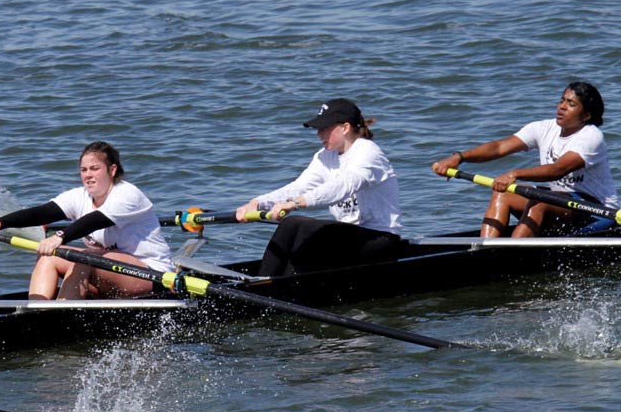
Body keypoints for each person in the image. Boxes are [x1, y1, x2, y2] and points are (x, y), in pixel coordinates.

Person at [0, 141, 173, 300]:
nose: (88, 175)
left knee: (83, 259)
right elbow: (43, 212)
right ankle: (37, 311)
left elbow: (95, 220)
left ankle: (61, 315)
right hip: (107, 273)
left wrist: (60, 236)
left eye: (95, 169)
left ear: (112, 170)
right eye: (84, 170)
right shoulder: (79, 196)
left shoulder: (128, 194)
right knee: (49, 256)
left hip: (151, 274)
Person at [234, 98, 403, 277]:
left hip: (380, 240)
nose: (319, 134)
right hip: (347, 238)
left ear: (345, 127)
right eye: (318, 129)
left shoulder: (368, 152)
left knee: (309, 230)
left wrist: (296, 203)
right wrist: (257, 203)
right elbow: (299, 187)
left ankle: (284, 289)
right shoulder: (325, 156)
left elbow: (343, 185)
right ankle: (264, 281)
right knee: (292, 223)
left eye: (324, 128)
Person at [431, 82, 617, 238]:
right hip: (559, 204)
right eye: (562, 100)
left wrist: (515, 174)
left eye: (571, 104)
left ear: (586, 115)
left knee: (539, 201)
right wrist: (460, 157)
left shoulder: (591, 137)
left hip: (595, 210)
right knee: (503, 195)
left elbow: (558, 169)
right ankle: (485, 250)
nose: (561, 107)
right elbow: (499, 147)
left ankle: (513, 254)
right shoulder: (543, 128)